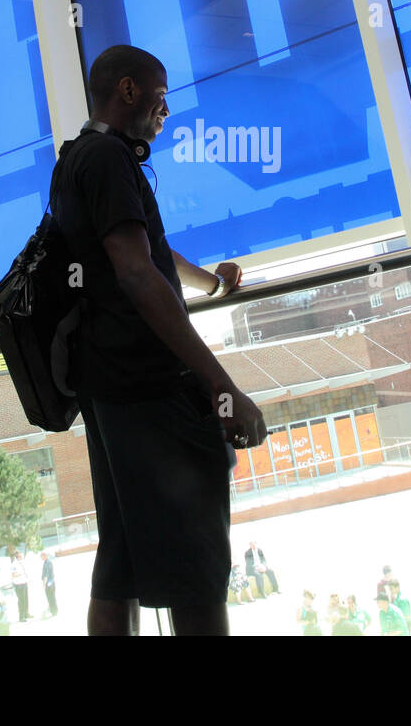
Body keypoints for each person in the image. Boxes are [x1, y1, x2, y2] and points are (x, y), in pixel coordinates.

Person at [50, 45, 268, 637]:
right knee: (195, 570)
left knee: (119, 564)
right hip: (149, 387)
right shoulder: (109, 160)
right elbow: (137, 272)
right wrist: (223, 388)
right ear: (128, 91)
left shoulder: (76, 159)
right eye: (161, 95)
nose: (165, 110)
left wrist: (210, 286)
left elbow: (143, 251)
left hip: (109, 389)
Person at [9, 550, 30, 621]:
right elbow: (13, 575)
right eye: (20, 556)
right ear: (17, 557)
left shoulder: (22, 562)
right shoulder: (14, 564)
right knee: (21, 601)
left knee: (26, 599)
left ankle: (26, 613)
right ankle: (21, 617)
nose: (21, 556)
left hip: (24, 582)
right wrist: (21, 574)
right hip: (19, 584)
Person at [40, 551, 58, 618]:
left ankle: (53, 611)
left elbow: (46, 575)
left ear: (44, 556)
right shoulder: (49, 562)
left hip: (48, 583)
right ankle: (55, 611)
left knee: (50, 598)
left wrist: (44, 584)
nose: (41, 558)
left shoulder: (46, 563)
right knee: (52, 597)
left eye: (41, 556)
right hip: (52, 582)